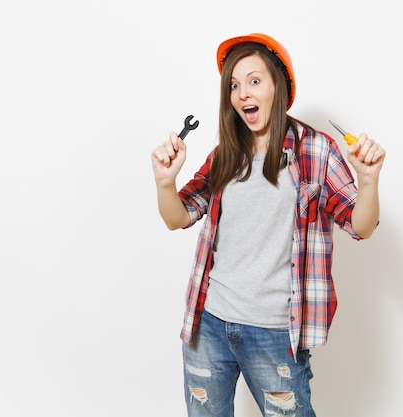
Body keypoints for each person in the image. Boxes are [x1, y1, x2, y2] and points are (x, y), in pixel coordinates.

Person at [151, 33, 386, 417]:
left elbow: (361, 225)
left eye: (254, 81)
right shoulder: (225, 154)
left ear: (279, 85)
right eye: (234, 84)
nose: (243, 93)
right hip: (208, 326)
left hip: (275, 334)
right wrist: (164, 182)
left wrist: (370, 182)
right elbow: (178, 216)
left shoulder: (316, 149)